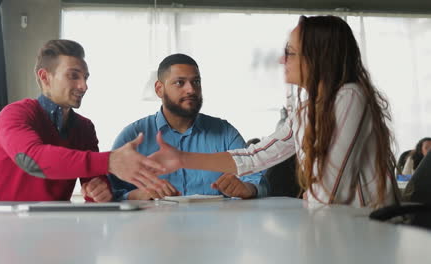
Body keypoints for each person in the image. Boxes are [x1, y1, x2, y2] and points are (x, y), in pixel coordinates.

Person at [149, 15, 401, 208]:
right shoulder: (306, 110)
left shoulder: (349, 96)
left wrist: (302, 201)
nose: (282, 60)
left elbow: (331, 192)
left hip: (367, 229)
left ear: (318, 58)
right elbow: (256, 155)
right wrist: (182, 158)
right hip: (336, 228)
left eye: (290, 53)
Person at [0, 39, 165, 202]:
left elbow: (96, 186)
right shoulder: (15, 113)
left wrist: (99, 192)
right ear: (45, 77)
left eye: (85, 78)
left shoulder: (84, 127)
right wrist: (109, 161)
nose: (84, 86)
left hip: (55, 226)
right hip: (4, 225)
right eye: (73, 76)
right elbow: (31, 160)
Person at [107, 54, 266, 200]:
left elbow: (257, 180)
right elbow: (110, 192)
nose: (191, 89)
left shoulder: (225, 133)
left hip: (214, 229)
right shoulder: (132, 136)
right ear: (159, 89)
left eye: (196, 82)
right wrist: (137, 195)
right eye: (179, 83)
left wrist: (248, 189)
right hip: (154, 229)